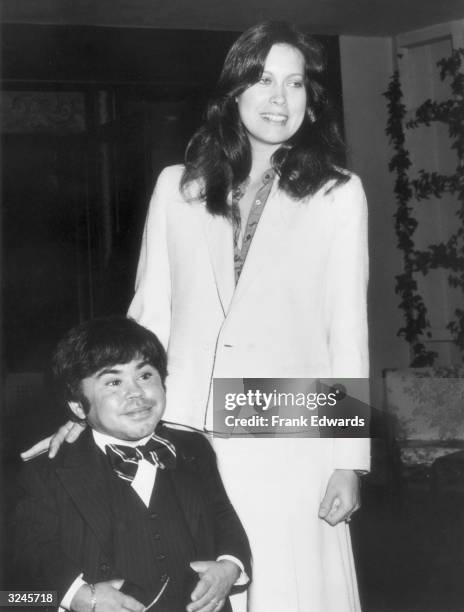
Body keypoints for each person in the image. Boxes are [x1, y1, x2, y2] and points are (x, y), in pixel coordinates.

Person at [22, 21, 369, 612]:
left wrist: (348, 463)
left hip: (289, 424)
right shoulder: (175, 190)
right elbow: (147, 318)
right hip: (181, 429)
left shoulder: (338, 193)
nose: (280, 99)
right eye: (261, 81)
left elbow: (347, 330)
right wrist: (97, 411)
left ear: (312, 103)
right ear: (231, 94)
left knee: (289, 588)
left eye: (296, 84)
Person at [15, 317, 251, 612]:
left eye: (146, 376)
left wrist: (230, 565)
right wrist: (75, 595)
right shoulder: (47, 470)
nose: (137, 393)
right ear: (77, 405)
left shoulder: (195, 448)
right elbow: (30, 555)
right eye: (114, 382)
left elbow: (222, 514)